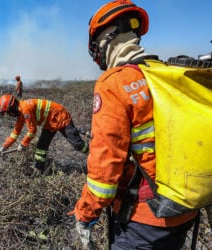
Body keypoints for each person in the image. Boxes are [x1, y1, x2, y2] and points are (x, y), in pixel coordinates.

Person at [69, 1, 198, 249]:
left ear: (105, 40)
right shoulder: (167, 74)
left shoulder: (114, 83)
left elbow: (103, 177)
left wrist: (85, 215)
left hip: (145, 219)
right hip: (185, 209)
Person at [0, 94, 88, 173]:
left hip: (60, 117)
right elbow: (15, 132)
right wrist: (4, 147)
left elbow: (32, 130)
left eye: (7, 112)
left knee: (78, 145)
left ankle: (94, 155)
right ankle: (39, 170)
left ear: (11, 108)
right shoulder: (21, 113)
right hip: (50, 124)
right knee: (41, 147)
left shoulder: (25, 109)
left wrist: (23, 144)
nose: (8, 115)